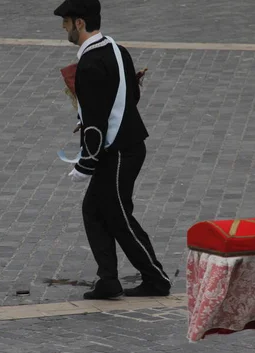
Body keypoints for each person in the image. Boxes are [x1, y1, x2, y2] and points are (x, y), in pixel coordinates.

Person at [54, 0, 171, 299]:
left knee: (118, 216)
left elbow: (93, 123)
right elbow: (131, 93)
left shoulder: (90, 65)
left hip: (117, 152)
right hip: (126, 146)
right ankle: (108, 280)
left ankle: (156, 279)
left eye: (67, 21)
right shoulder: (116, 49)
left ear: (80, 23)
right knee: (93, 209)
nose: (64, 27)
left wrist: (85, 165)